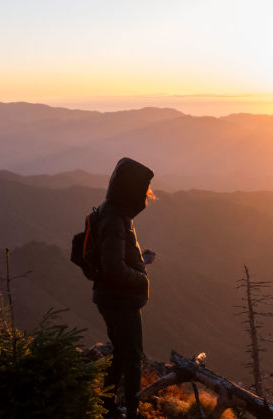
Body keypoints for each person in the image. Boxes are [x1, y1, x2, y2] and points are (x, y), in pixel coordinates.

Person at [93, 157, 156, 419]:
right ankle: (132, 411)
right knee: (132, 357)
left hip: (114, 298)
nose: (147, 196)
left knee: (121, 352)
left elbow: (117, 259)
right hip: (120, 301)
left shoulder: (114, 214)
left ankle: (108, 406)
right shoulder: (114, 220)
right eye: (143, 191)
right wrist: (141, 278)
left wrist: (141, 261)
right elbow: (113, 269)